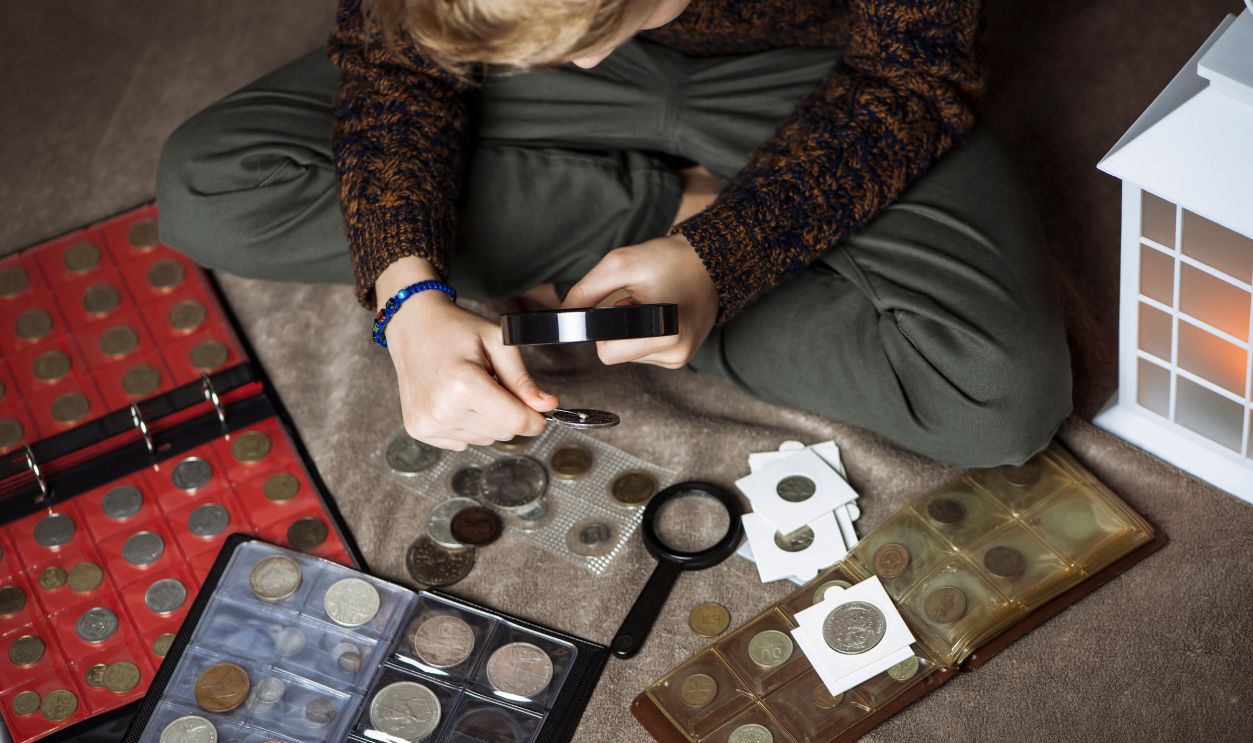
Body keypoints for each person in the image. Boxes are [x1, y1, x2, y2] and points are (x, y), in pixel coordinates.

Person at [156, 0, 1071, 467]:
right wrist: (405, 298)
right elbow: (398, 54)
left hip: (826, 74)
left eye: (583, 34)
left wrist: (727, 255)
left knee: (993, 397)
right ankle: (654, 229)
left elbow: (910, 78)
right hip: (531, 52)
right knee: (208, 188)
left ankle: (673, 255)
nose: (583, 60)